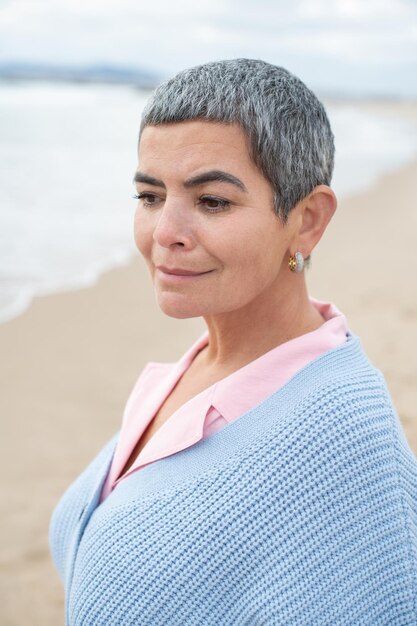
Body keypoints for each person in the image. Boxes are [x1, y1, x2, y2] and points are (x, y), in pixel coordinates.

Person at [49, 59, 417, 625]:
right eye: (150, 195)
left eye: (212, 201)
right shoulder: (191, 367)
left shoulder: (344, 440)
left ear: (308, 219)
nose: (164, 232)